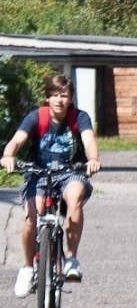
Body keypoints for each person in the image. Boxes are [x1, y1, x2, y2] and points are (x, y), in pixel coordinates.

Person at [1, 74, 101, 296]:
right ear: (47, 97)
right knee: (31, 215)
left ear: (70, 98)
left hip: (70, 172)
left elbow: (89, 141)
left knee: (75, 196)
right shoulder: (36, 117)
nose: (59, 100)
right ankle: (28, 268)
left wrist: (93, 159)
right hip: (39, 172)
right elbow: (17, 140)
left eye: (64, 95)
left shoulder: (79, 117)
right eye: (54, 95)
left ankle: (71, 259)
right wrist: (8, 156)